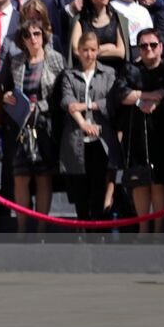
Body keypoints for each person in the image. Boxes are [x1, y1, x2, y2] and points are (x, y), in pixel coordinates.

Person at [0, 17, 65, 234]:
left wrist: (38, 107)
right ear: (22, 40)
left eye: (37, 34)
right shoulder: (16, 60)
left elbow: (61, 95)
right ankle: (21, 228)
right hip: (21, 128)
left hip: (45, 126)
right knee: (20, 178)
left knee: (43, 178)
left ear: (44, 36)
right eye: (28, 35)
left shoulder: (55, 59)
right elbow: (8, 88)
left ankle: (41, 228)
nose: (33, 39)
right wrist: (8, 96)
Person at [57, 31, 119, 225]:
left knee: (98, 185)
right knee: (80, 187)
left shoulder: (108, 73)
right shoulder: (69, 75)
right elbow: (68, 101)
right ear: (78, 51)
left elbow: (110, 101)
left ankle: (99, 228)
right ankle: (83, 226)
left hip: (100, 139)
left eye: (93, 50)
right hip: (77, 139)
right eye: (85, 50)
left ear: (98, 50)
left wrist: (87, 106)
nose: (89, 54)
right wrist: (83, 123)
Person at [113, 28, 164, 234]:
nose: (148, 49)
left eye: (153, 45)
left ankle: (158, 231)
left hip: (163, 134)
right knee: (140, 182)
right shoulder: (131, 69)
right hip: (136, 134)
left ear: (161, 47)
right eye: (143, 45)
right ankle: (143, 231)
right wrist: (145, 97)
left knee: (159, 181)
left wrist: (157, 100)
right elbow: (120, 93)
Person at [70, 0, 128, 67]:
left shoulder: (117, 19)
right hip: (88, 71)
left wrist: (88, 51)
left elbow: (120, 52)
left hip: (114, 73)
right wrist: (108, 48)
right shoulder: (80, 20)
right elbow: (76, 51)